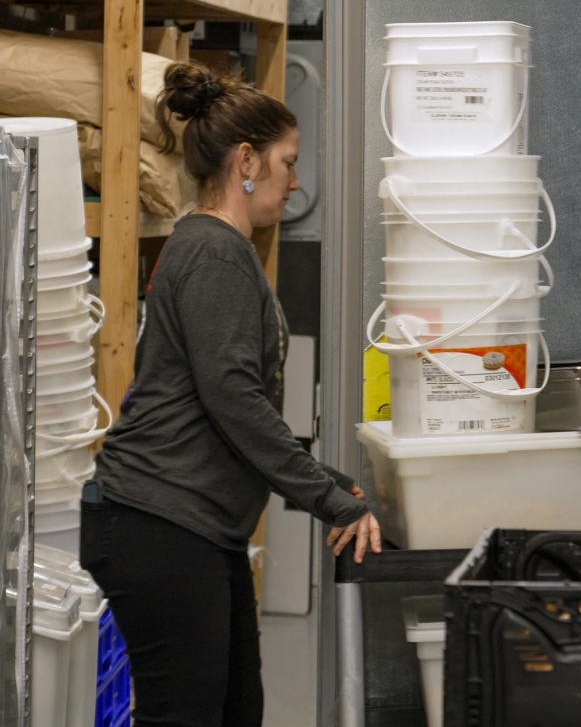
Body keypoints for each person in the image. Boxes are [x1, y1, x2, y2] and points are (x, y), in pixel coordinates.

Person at [81, 63, 381, 727]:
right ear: (247, 160)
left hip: (190, 525)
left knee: (236, 708)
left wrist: (322, 480)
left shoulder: (217, 246)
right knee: (188, 714)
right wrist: (326, 498)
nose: (296, 182)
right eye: (288, 163)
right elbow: (234, 400)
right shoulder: (215, 254)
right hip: (159, 523)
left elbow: (227, 407)